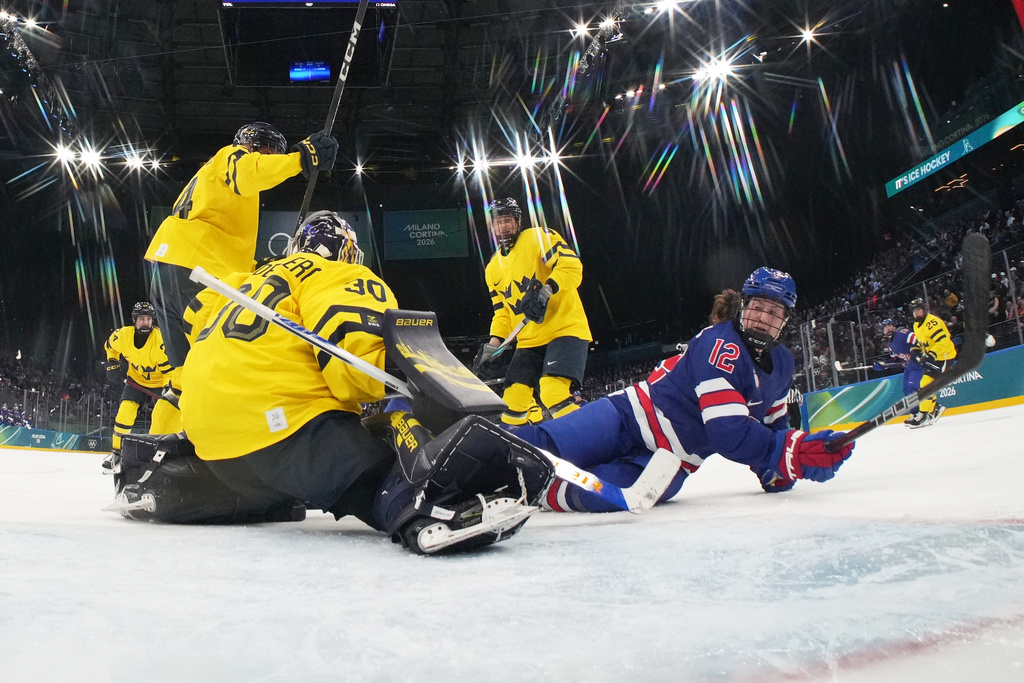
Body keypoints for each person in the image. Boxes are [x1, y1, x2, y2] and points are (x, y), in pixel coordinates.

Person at [155, 211, 545, 553]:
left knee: (297, 468)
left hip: (210, 439)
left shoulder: (243, 282)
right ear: (344, 248)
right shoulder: (340, 272)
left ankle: (258, 498)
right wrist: (407, 386)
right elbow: (353, 367)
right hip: (279, 427)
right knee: (378, 471)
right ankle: (423, 513)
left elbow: (193, 329)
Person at [509, 268, 856, 512]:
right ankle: (471, 457)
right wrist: (789, 452)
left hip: (672, 462)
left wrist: (778, 469)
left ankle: (531, 493)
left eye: (775, 311)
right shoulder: (721, 343)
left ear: (785, 318)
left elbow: (774, 427)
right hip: (626, 419)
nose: (764, 317)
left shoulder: (782, 364)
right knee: (534, 448)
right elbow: (728, 431)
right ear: (745, 307)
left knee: (598, 493)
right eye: (759, 307)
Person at [144, 122, 339, 394]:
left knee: (185, 378)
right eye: (270, 152)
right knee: (229, 356)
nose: (270, 160)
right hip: (197, 270)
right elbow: (251, 172)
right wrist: (301, 158)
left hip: (174, 269)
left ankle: (178, 432)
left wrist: (262, 269)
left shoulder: (222, 186)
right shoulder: (233, 157)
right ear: (255, 147)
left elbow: (231, 250)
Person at [473, 197, 592, 425]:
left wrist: (547, 290)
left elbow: (572, 266)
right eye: (498, 222)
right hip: (529, 340)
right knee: (512, 401)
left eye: (507, 220)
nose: (503, 227)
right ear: (491, 227)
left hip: (564, 328)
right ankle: (532, 445)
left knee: (552, 391)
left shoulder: (537, 238)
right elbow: (503, 314)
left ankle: (592, 440)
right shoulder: (492, 269)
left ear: (518, 222)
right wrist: (493, 346)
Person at [103, 301, 178, 458]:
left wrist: (167, 388)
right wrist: (112, 363)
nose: (146, 322)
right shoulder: (122, 335)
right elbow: (110, 347)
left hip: (159, 383)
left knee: (162, 418)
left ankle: (158, 453)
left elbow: (170, 372)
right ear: (135, 320)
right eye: (142, 319)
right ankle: (117, 454)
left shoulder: (160, 340)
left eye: (149, 319)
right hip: (136, 381)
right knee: (125, 413)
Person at [906, 297, 956, 428]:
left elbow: (943, 342)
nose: (916, 313)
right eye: (914, 311)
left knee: (926, 384)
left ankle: (924, 414)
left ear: (925, 310)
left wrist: (930, 355)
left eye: (919, 310)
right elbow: (921, 342)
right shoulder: (916, 325)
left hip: (944, 357)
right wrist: (915, 350)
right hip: (934, 357)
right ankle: (933, 410)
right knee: (925, 384)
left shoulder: (932, 323)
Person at [873, 318, 926, 424]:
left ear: (894, 327)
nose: (887, 329)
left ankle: (924, 413)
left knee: (913, 387)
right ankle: (915, 413)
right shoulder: (890, 344)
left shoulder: (902, 333)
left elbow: (918, 340)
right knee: (906, 389)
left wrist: (916, 353)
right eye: (885, 327)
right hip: (909, 367)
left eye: (889, 326)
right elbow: (896, 360)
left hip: (919, 364)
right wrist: (884, 365)